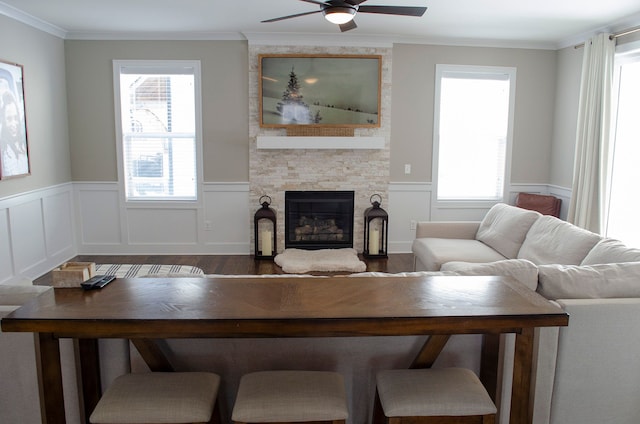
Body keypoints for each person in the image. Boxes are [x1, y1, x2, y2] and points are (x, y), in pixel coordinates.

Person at [0, 90, 29, 177]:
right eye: (9, 119)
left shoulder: (23, 142)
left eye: (15, 118)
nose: (14, 124)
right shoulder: (3, 149)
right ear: (4, 122)